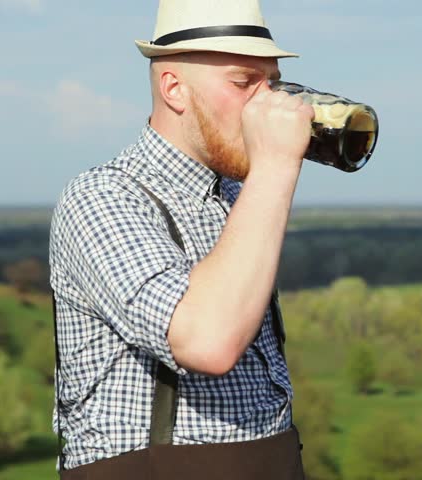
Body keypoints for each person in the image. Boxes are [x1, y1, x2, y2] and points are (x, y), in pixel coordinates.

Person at [48, 0, 313, 478]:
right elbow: (207, 341)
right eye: (243, 82)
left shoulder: (238, 194)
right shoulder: (103, 197)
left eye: (270, 83)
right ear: (174, 89)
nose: (267, 103)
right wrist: (275, 166)